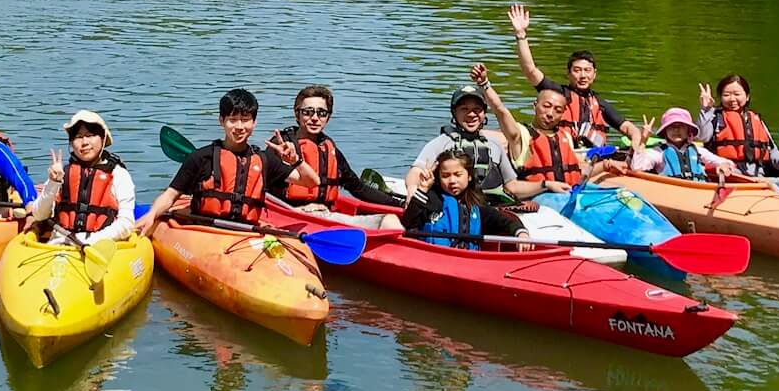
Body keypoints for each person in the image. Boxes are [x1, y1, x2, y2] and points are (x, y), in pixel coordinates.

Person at [135, 89, 316, 237]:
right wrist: (151, 215)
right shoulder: (201, 157)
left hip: (246, 234)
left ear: (254, 123)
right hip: (205, 230)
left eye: (245, 120)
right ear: (221, 121)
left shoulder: (264, 160)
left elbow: (311, 183)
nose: (239, 127)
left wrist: (296, 161)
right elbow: (171, 195)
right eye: (232, 120)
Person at [508, 5, 642, 146]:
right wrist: (521, 34)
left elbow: (628, 128)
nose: (583, 75)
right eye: (577, 70)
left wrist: (637, 141)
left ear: (594, 74)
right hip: (562, 153)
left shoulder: (599, 104)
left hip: (592, 156)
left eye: (587, 70)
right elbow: (530, 70)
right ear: (568, 73)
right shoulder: (557, 93)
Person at [480, 73, 627, 193]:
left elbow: (577, 173)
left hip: (569, 193)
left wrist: (608, 164)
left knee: (625, 196)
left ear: (563, 113)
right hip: (541, 196)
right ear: (535, 106)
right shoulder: (520, 135)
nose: (550, 114)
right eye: (546, 106)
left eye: (557, 110)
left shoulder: (565, 137)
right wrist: (485, 85)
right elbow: (500, 110)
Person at [275, 84, 402, 214]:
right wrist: (297, 210)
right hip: (289, 215)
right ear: (297, 114)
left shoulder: (330, 149)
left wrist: (399, 204)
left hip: (325, 215)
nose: (314, 118)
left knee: (389, 220)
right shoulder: (281, 145)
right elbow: (261, 187)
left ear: (328, 117)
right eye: (307, 112)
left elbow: (358, 188)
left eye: (321, 113)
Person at [23, 110, 137, 245]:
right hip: (60, 245)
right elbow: (39, 215)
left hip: (102, 247)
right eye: (78, 137)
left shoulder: (119, 175)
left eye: (90, 135)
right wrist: (53, 183)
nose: (84, 142)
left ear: (103, 138)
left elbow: (126, 222)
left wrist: (90, 241)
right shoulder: (62, 173)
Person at [410, 80, 523, 196]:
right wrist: (412, 194)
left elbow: (512, 185)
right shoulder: (441, 143)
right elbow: (416, 172)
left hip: (489, 206)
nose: (471, 114)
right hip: (454, 205)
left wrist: (543, 185)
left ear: (484, 113)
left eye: (477, 109)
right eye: (464, 109)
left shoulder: (494, 145)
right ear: (454, 113)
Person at [397, 150, 526, 250]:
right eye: (445, 176)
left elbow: (503, 221)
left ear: (469, 176)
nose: (452, 181)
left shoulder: (477, 204)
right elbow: (408, 223)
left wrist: (521, 233)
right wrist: (423, 189)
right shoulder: (432, 199)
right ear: (438, 178)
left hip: (466, 260)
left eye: (458, 175)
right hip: (434, 256)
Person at [697, 75, 779, 177]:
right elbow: (702, 137)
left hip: (759, 176)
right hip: (728, 175)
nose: (732, 99)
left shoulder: (756, 119)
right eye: (726, 95)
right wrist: (705, 109)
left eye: (737, 94)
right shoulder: (714, 116)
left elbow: (772, 152)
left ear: (747, 96)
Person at [631, 107, 740, 180]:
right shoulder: (658, 152)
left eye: (681, 126)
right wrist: (643, 141)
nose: (676, 130)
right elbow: (637, 168)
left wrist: (725, 166)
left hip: (699, 191)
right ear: (665, 131)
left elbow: (728, 163)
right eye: (672, 127)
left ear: (689, 131)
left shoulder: (698, 151)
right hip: (671, 190)